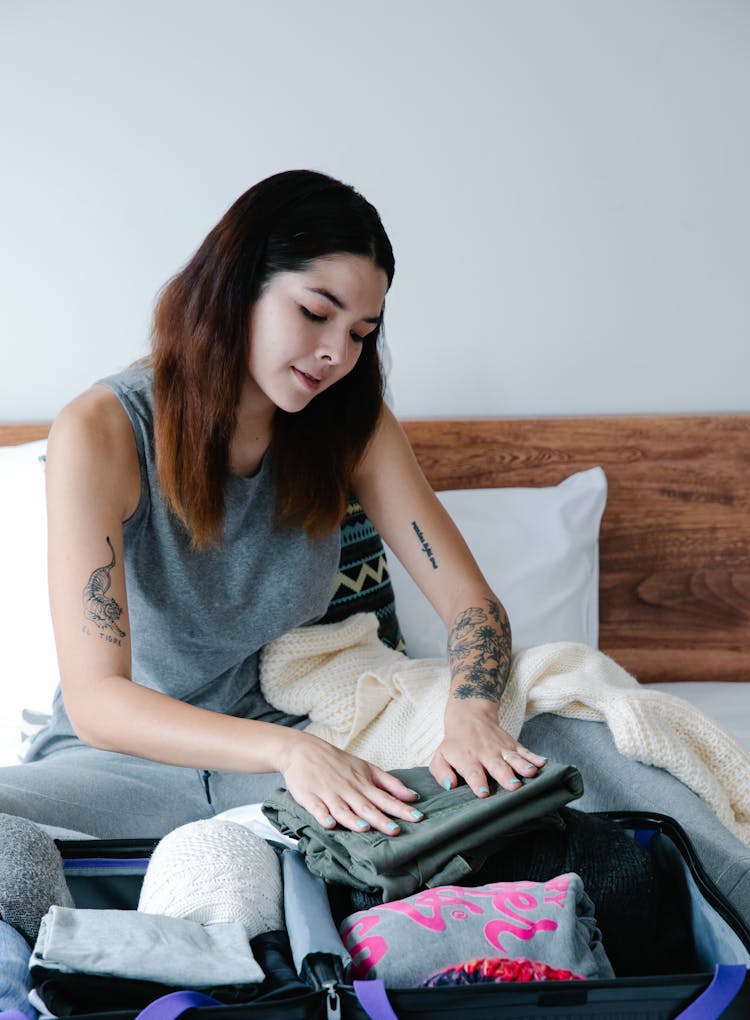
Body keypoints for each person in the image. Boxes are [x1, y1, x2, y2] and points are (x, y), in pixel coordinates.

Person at [0, 169, 546, 839]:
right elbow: (97, 703)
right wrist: (291, 754)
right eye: (316, 313)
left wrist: (470, 713)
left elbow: (472, 604)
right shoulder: (102, 429)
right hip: (122, 764)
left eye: (360, 333)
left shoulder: (353, 425)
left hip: (297, 751)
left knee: (561, 744)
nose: (335, 355)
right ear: (237, 285)